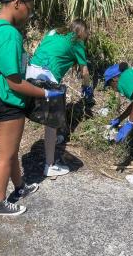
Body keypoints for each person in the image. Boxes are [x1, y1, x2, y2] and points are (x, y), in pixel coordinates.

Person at [0, 0, 64, 216]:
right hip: (7, 100)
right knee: (5, 155)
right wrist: (47, 95)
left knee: (12, 150)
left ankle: (19, 187)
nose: (30, 12)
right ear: (17, 3)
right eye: (29, 6)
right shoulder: (9, 34)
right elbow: (16, 82)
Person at [26, 19, 93, 177]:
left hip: (30, 71)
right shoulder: (77, 41)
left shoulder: (54, 31)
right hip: (47, 77)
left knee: (26, 110)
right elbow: (85, 72)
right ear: (82, 32)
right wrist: (87, 88)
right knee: (52, 121)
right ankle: (49, 166)